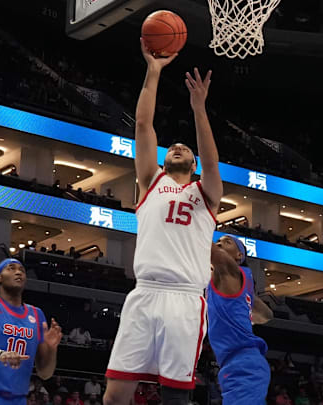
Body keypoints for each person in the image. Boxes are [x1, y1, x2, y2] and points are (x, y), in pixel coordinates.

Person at [103, 39, 222, 405]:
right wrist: (153, 71)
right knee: (114, 396)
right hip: (145, 293)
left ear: (194, 164)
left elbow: (212, 160)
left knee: (174, 397)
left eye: (184, 149)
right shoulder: (150, 181)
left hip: (185, 298)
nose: (177, 147)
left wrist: (198, 109)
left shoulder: (207, 193)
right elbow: (142, 124)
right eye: (172, 146)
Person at [0, 258, 63, 404]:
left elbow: (45, 373)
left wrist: (52, 348)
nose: (18, 272)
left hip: (17, 399)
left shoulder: (36, 314)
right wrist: (0, 354)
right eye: (11, 268)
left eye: (22, 270)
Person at [207, 235, 273, 405]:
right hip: (242, 364)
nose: (220, 243)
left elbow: (205, 244)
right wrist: (246, 303)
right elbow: (267, 315)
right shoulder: (240, 282)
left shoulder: (229, 270)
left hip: (243, 365)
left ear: (239, 256)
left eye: (227, 242)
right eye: (219, 241)